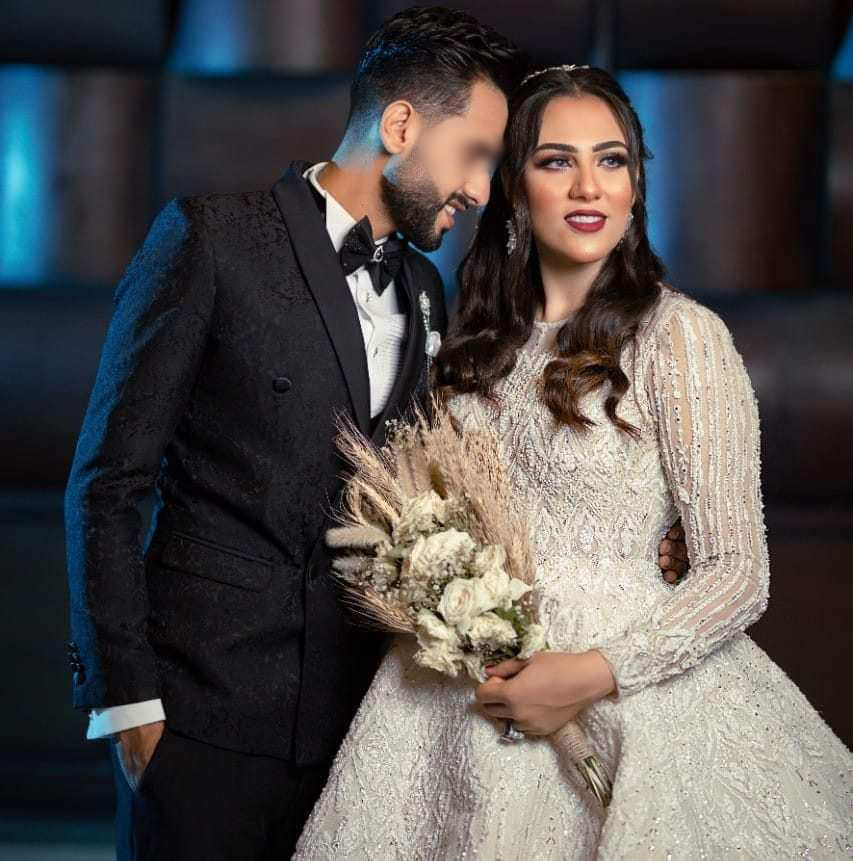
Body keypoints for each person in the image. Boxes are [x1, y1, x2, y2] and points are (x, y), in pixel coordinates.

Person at [293, 65, 853, 858]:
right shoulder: (468, 347)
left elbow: (737, 571)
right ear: (514, 188)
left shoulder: (678, 337)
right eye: (556, 161)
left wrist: (588, 674)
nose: (589, 185)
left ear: (634, 186)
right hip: (455, 690)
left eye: (610, 160)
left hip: (629, 689)